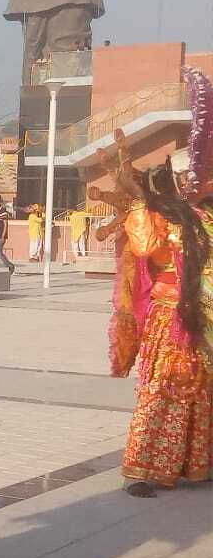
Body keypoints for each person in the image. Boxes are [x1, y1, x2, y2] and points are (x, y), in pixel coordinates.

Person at [104, 70, 213, 497]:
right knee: (164, 388)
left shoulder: (202, 219)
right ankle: (144, 468)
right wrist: (135, 206)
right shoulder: (159, 217)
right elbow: (146, 248)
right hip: (170, 317)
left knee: (201, 390)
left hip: (202, 316)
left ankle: (195, 462)